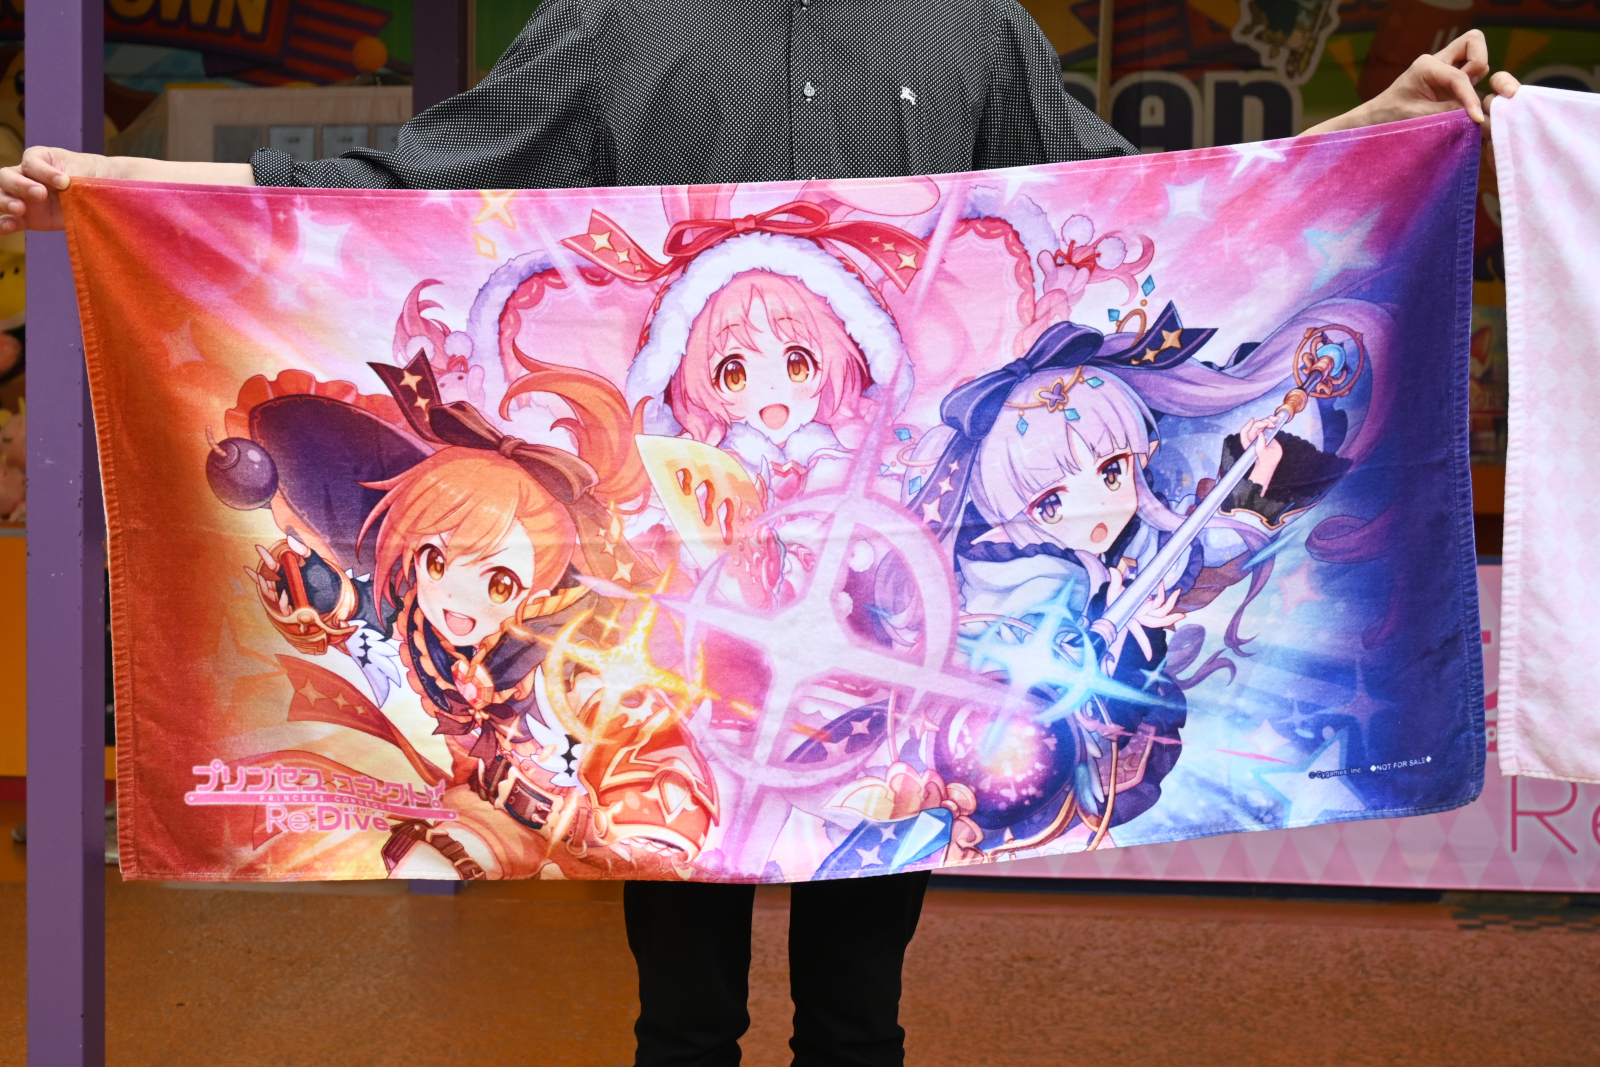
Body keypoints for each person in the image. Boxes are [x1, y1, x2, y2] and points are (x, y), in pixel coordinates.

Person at [1, 4, 1522, 1065]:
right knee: (681, 1019)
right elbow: (406, 175)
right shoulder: (613, 24)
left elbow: (1158, 207)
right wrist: (133, 188)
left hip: (897, 626)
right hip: (670, 636)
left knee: (862, 1015)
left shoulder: (969, 28)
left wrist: (1375, 132)